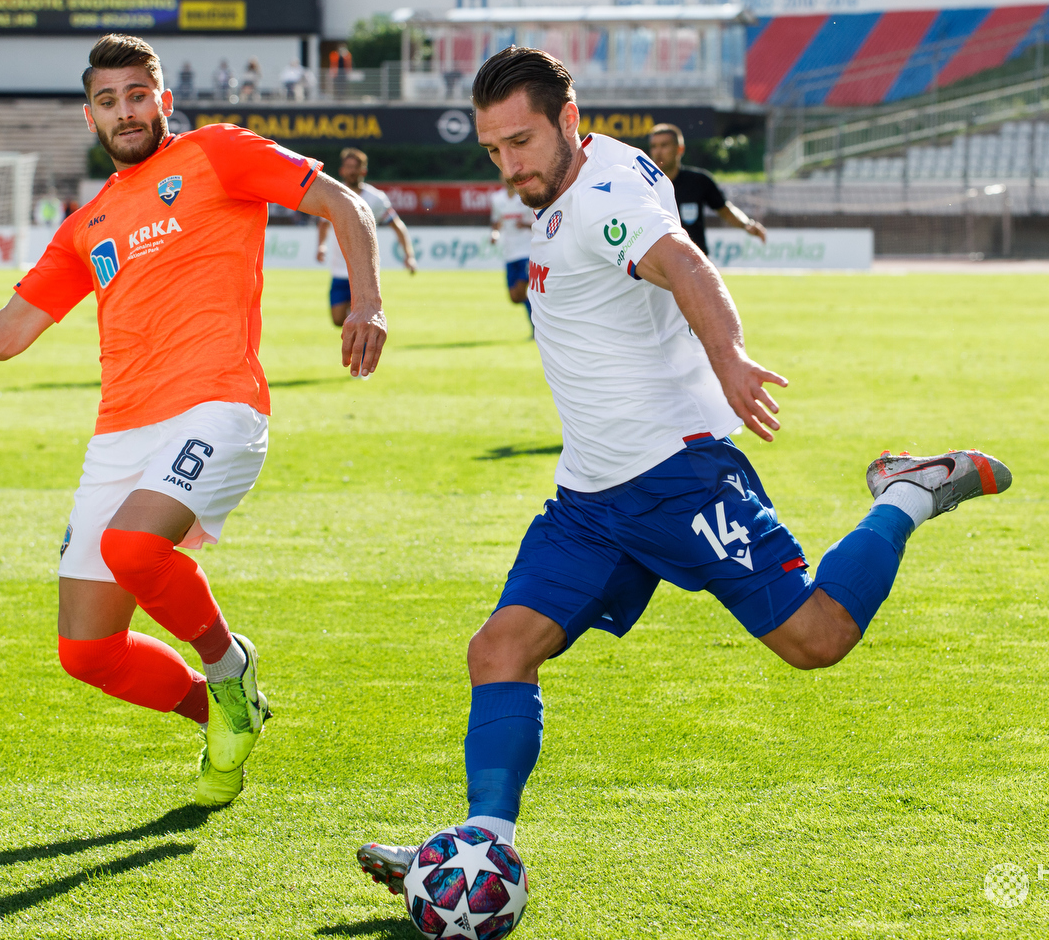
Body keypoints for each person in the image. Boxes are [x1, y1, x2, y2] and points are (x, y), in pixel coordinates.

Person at [356, 47, 1012, 900]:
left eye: (520, 141)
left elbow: (684, 263)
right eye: (492, 150)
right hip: (592, 495)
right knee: (500, 649)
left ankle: (906, 493)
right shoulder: (585, 175)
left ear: (567, 117)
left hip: (677, 475)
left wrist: (730, 357)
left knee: (816, 639)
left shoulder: (605, 197)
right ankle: (479, 846)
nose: (508, 165)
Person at [0, 34, 389, 808]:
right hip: (121, 433)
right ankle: (219, 709)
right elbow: (5, 332)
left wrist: (369, 300)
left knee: (135, 545)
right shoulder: (89, 223)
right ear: (90, 116)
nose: (126, 111)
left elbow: (339, 201)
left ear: (163, 99)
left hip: (218, 403)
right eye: (109, 101)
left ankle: (228, 664)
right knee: (87, 651)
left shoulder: (218, 153)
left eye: (138, 95)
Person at [318, 147, 416, 327]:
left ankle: (361, 349)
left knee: (364, 319)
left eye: (355, 167)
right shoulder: (334, 195)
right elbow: (323, 224)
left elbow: (398, 226)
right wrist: (321, 246)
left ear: (364, 170)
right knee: (338, 319)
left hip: (364, 272)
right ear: (342, 170)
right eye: (348, 166)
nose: (352, 171)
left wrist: (408, 255)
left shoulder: (376, 199)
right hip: (340, 270)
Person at [646, 123, 767, 256]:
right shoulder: (644, 185)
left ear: (680, 149)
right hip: (659, 262)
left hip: (694, 261)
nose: (658, 152)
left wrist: (747, 224)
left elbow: (725, 210)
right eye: (654, 146)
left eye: (664, 145)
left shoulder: (699, 181)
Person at [488, 178, 532, 333]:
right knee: (515, 297)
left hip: (526, 251)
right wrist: (494, 235)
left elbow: (539, 223)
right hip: (509, 253)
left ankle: (537, 327)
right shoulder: (497, 199)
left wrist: (525, 225)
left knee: (524, 290)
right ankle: (538, 314)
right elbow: (496, 223)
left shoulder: (526, 196)